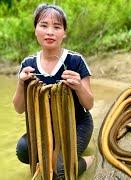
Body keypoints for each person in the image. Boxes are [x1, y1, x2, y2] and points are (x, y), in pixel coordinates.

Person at [12, 3, 94, 179]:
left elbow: (89, 103)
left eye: (56, 27)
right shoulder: (28, 65)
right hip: (44, 128)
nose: (50, 32)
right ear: (35, 30)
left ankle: (89, 160)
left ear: (64, 33)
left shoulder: (75, 61)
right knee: (23, 151)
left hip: (77, 125)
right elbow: (19, 109)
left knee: (60, 172)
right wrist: (21, 83)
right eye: (44, 25)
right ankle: (57, 154)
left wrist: (78, 86)